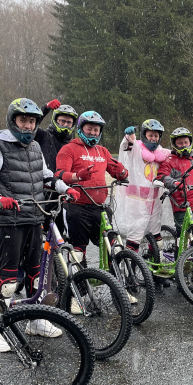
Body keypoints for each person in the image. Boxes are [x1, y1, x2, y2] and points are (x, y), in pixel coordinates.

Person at [0, 98, 79, 344]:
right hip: (10, 220)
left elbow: (46, 177)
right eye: (23, 120)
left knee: (36, 273)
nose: (28, 126)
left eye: (32, 121)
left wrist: (65, 188)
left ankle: (36, 320)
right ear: (13, 121)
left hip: (34, 216)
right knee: (9, 279)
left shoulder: (34, 148)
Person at [55, 111, 129, 272]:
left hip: (99, 207)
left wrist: (122, 172)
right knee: (78, 251)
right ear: (81, 128)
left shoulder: (103, 151)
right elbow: (59, 175)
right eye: (90, 129)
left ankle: (116, 282)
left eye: (96, 130)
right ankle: (77, 287)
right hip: (76, 207)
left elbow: (119, 173)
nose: (93, 133)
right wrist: (76, 176)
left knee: (113, 246)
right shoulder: (69, 149)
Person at [112, 119, 173, 287]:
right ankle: (130, 276)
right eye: (150, 135)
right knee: (135, 240)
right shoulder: (136, 147)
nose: (153, 138)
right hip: (137, 202)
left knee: (157, 238)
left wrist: (190, 153)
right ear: (144, 135)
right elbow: (126, 147)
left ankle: (156, 273)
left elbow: (174, 153)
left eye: (156, 136)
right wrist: (128, 136)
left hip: (154, 201)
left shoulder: (161, 151)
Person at [33, 101, 77, 233]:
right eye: (62, 121)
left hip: (64, 192)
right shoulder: (44, 136)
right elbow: (31, 124)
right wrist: (45, 108)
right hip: (43, 190)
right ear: (55, 120)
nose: (65, 125)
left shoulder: (73, 144)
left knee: (60, 234)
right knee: (40, 232)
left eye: (69, 122)